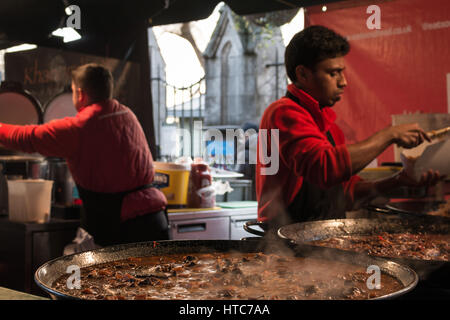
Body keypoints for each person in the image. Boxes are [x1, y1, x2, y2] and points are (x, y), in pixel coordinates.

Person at [256, 25, 442, 231]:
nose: (343, 82)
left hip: (324, 246)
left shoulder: (329, 127)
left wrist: (400, 181)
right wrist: (389, 135)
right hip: (285, 247)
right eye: (333, 73)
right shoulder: (282, 112)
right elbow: (323, 167)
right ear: (302, 74)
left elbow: (347, 194)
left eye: (342, 72)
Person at [0, 63, 169, 246]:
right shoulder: (128, 115)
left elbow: (26, 137)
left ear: (80, 94)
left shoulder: (81, 127)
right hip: (156, 220)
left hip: (122, 230)